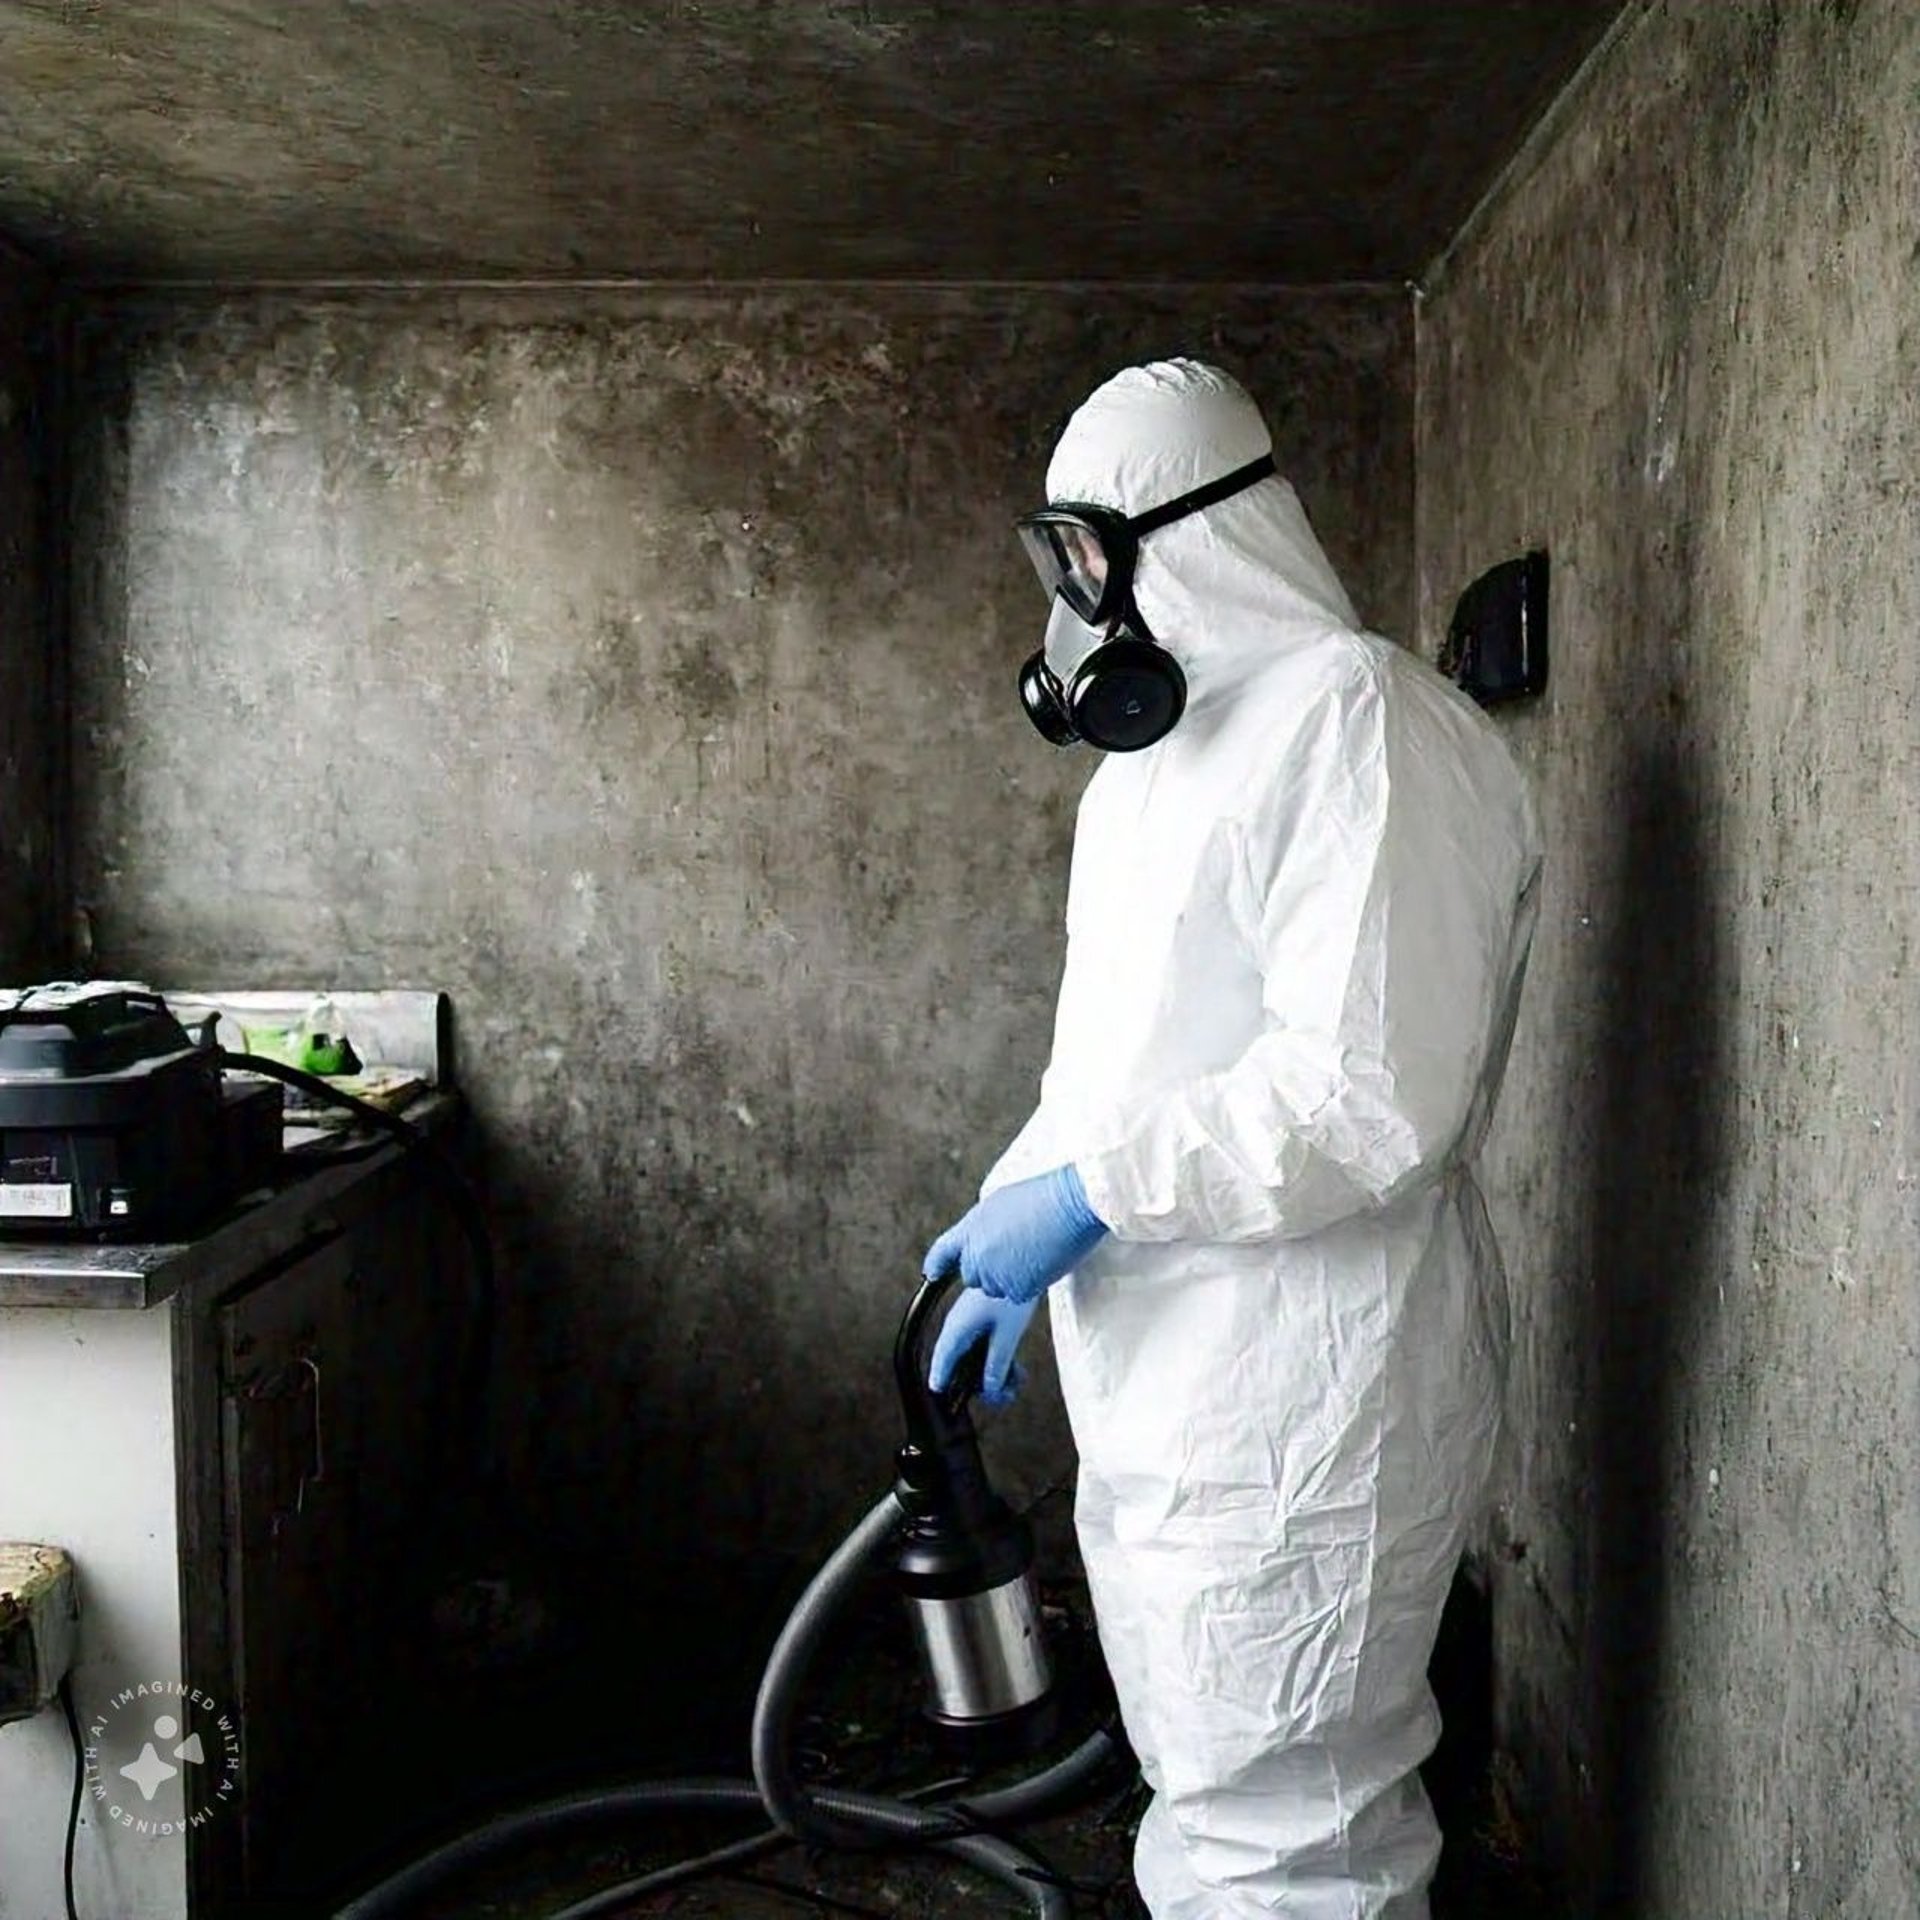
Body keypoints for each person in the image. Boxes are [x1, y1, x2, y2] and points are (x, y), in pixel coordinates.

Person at [922, 359, 1542, 1919]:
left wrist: (1088, 1194)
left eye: (1086, 559)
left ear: (1190, 537)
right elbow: (1120, 1063)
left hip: (1310, 1393)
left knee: (1301, 1837)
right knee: (1211, 1799)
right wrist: (1024, 1208)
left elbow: (1370, 1094)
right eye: (1048, 562)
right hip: (1174, 1392)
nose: (1068, 606)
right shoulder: (1162, 765)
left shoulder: (1360, 719)